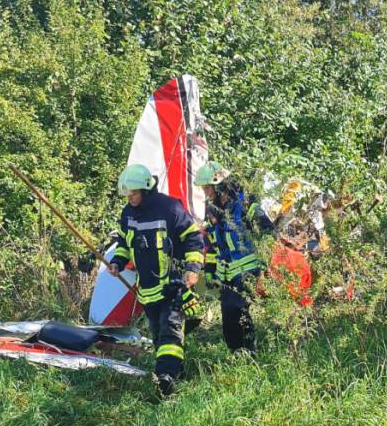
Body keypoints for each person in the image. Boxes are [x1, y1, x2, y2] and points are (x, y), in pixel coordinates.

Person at [109, 164, 204, 396]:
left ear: (146, 189)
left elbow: (192, 238)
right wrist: (117, 263)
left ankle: (167, 379)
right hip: (148, 289)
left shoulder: (170, 208)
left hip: (173, 284)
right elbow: (124, 244)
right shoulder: (128, 213)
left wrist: (192, 268)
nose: (129, 198)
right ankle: (169, 373)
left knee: (170, 331)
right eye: (127, 195)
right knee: (158, 335)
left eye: (133, 194)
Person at [194, 161, 274, 353]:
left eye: (207, 187)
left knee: (238, 309)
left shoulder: (244, 204)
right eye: (203, 187)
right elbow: (213, 244)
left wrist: (265, 267)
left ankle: (250, 351)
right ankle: (237, 353)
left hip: (248, 269)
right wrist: (211, 271)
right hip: (227, 273)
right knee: (228, 314)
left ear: (220, 184)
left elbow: (267, 233)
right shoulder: (211, 209)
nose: (205, 191)